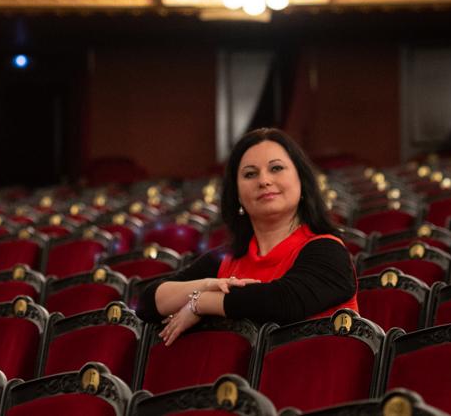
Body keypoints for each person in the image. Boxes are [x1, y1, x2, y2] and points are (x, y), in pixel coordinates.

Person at [137, 127, 358, 346]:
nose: (264, 181)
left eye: (276, 168)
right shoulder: (224, 261)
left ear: (302, 181)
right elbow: (147, 303)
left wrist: (201, 302)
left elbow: (281, 302)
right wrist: (206, 285)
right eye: (250, 174)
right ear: (237, 194)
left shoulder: (328, 252)